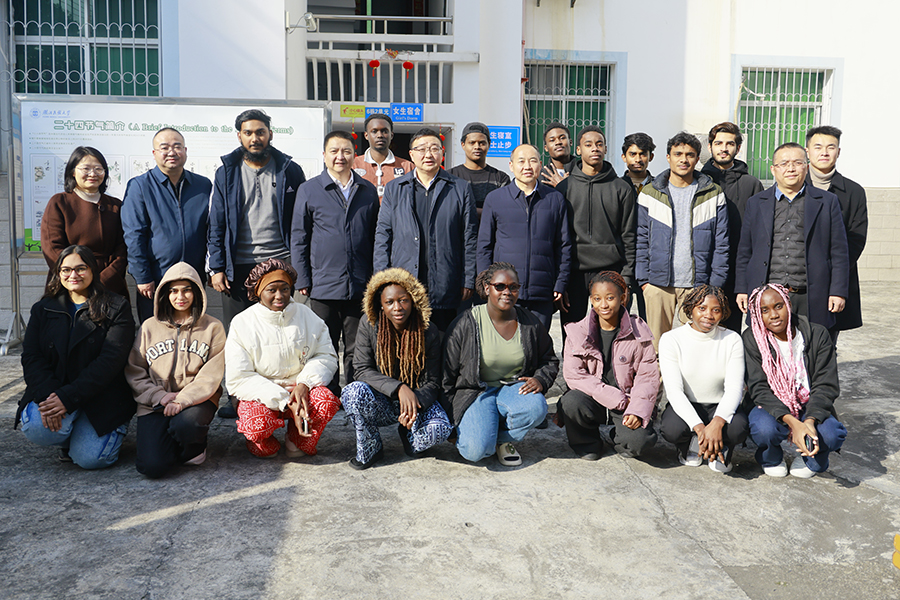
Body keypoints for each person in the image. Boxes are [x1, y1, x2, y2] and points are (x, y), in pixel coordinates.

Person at [208, 108, 306, 418]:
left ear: (270, 134)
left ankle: (284, 393)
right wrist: (217, 266)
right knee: (239, 335)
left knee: (282, 331)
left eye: (260, 132)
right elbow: (217, 222)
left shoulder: (290, 169)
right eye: (248, 132)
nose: (255, 138)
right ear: (239, 136)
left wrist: (300, 266)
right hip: (238, 264)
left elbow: (301, 222)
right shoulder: (226, 172)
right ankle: (238, 398)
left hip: (279, 261)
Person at [17, 245, 135, 469]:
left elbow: (110, 362)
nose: (73, 275)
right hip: (56, 389)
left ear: (92, 270)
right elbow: (32, 356)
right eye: (66, 270)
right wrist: (50, 395)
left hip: (101, 396)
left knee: (90, 459)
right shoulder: (43, 309)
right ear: (58, 273)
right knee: (37, 428)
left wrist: (68, 398)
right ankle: (72, 430)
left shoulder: (117, 307)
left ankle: (89, 431)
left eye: (81, 268)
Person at [291, 130, 380, 395]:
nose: (340, 156)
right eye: (334, 151)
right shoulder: (309, 189)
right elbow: (299, 236)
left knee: (356, 344)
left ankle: (353, 392)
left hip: (360, 283)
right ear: (324, 155)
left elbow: (376, 236)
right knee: (324, 343)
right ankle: (327, 393)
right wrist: (303, 278)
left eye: (346, 151)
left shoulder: (367, 190)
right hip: (322, 283)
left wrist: (375, 277)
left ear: (355, 155)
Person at [443, 262, 557, 466]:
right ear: (487, 288)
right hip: (475, 392)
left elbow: (549, 359)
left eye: (513, 287)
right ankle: (483, 433)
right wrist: (451, 421)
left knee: (537, 407)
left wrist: (540, 379)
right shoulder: (465, 323)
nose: (507, 292)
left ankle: (501, 439)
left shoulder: (529, 322)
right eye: (500, 286)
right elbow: (446, 375)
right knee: (476, 451)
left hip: (512, 389)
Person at [225, 258, 340, 458]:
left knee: (326, 400)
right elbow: (239, 378)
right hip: (262, 395)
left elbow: (326, 355)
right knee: (258, 428)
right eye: (272, 290)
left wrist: (304, 384)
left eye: (285, 289)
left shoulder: (308, 316)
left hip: (300, 392)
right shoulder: (242, 323)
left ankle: (297, 439)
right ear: (258, 291)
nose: (279, 296)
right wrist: (285, 401)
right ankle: (263, 443)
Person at [341, 268, 453, 469]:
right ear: (381, 305)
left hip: (415, 402)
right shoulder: (369, 324)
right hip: (381, 401)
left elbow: (433, 382)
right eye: (390, 302)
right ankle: (371, 446)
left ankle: (410, 435)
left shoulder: (428, 330)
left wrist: (414, 404)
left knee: (441, 429)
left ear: (413, 301)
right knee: (352, 392)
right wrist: (399, 388)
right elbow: (361, 369)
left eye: (403, 300)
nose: (397, 307)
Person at [735, 142, 849, 334]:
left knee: (812, 345)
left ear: (807, 167)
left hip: (810, 294)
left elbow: (839, 251)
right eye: (784, 163)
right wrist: (742, 288)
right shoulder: (756, 203)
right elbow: (745, 251)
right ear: (773, 169)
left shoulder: (827, 202)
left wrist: (837, 291)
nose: (791, 168)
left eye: (797, 163)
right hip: (767, 293)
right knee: (768, 347)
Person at [125, 262, 226, 478]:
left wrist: (182, 400)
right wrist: (158, 396)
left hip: (196, 400)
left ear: (197, 292)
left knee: (188, 426)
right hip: (155, 403)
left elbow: (211, 375)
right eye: (173, 291)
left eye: (187, 290)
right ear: (165, 294)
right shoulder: (149, 327)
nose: (180, 296)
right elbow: (135, 371)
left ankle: (194, 447)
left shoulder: (213, 327)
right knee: (152, 467)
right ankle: (170, 444)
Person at [374, 127, 477, 332]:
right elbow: (383, 235)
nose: (428, 154)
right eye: (421, 149)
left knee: (446, 341)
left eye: (434, 148)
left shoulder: (459, 188)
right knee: (406, 342)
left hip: (446, 281)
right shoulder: (395, 188)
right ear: (411, 155)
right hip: (404, 281)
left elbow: (469, 238)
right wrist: (382, 279)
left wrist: (468, 279)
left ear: (442, 153)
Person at [637, 132, 729, 352]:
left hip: (698, 286)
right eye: (678, 154)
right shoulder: (650, 193)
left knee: (696, 348)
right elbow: (641, 239)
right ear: (668, 157)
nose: (683, 159)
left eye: (690, 154)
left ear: (697, 159)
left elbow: (721, 244)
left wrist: (714, 286)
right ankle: (659, 377)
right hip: (658, 285)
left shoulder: (713, 193)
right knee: (656, 348)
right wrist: (645, 281)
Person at [743, 284, 847, 478]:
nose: (774, 315)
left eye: (778, 306)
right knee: (764, 430)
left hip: (808, 404)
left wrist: (809, 421)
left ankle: (812, 458)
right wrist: (793, 423)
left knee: (832, 435)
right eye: (764, 310)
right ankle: (771, 457)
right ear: (757, 315)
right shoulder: (752, 339)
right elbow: (758, 388)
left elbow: (826, 385)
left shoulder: (817, 334)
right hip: (772, 405)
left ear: (788, 304)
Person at [559, 271, 659, 460]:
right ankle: (587, 443)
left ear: (623, 298)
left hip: (628, 402)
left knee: (640, 442)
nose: (603, 305)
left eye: (610, 298)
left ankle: (616, 436)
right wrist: (614, 397)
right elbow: (574, 375)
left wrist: (637, 410)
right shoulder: (577, 332)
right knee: (571, 401)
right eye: (597, 299)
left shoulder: (639, 331)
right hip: (595, 399)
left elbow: (647, 378)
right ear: (591, 300)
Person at [122, 127, 213, 323]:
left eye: (177, 147)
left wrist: (213, 269)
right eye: (164, 147)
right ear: (154, 153)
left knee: (193, 331)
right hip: (156, 279)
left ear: (185, 151)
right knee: (156, 332)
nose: (172, 152)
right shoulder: (140, 186)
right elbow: (134, 236)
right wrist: (142, 277)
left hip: (193, 278)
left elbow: (213, 231)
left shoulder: (203, 185)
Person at [477, 143, 572, 329]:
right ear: (511, 165)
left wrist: (561, 283)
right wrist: (486, 284)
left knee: (537, 343)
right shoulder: (495, 199)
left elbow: (564, 246)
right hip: (504, 290)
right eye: (521, 161)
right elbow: (484, 246)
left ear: (540, 165)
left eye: (533, 161)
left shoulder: (554, 199)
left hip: (542, 290)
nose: (527, 166)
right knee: (505, 342)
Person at [658, 285, 747, 473]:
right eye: (702, 308)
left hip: (719, 405)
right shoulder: (671, 339)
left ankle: (721, 448)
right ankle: (691, 444)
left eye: (716, 310)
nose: (709, 315)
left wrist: (717, 423)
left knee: (738, 428)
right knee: (671, 428)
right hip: (688, 402)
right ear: (690, 309)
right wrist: (700, 429)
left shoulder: (732, 339)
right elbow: (674, 391)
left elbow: (734, 389)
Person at [556, 126, 636, 335]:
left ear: (606, 149)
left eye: (599, 144)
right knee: (573, 334)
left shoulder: (621, 188)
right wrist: (560, 280)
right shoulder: (564, 188)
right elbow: (557, 238)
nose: (595, 148)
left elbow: (629, 236)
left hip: (610, 269)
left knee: (609, 333)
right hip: (573, 272)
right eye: (589, 144)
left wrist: (626, 278)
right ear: (578, 150)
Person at [40, 146, 129, 300]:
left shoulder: (116, 205)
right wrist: (76, 276)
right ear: (73, 172)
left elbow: (124, 248)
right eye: (86, 168)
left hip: (110, 284)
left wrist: (104, 279)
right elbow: (52, 247)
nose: (92, 174)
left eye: (98, 169)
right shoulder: (60, 202)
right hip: (70, 284)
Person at [700, 122, 764, 332]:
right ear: (710, 147)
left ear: (738, 148)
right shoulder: (699, 181)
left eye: (730, 143)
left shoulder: (751, 184)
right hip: (704, 268)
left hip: (738, 270)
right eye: (718, 143)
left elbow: (758, 231)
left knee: (731, 330)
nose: (724, 148)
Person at [805, 125, 867, 340]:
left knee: (826, 344)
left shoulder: (853, 191)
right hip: (797, 280)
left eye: (830, 147)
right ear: (807, 151)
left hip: (834, 280)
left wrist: (833, 274)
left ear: (838, 152)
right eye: (818, 147)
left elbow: (856, 239)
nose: (824, 152)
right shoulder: (794, 186)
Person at [448, 122, 511, 218]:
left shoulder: (500, 178)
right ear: (463, 145)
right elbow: (449, 209)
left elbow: (504, 210)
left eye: (482, 143)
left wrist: (466, 210)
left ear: (489, 144)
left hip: (491, 228)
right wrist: (488, 211)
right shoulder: (451, 176)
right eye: (472, 143)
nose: (477, 147)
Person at [352, 112, 414, 199]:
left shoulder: (407, 166)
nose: (380, 135)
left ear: (391, 135)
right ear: (366, 135)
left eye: (385, 131)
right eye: (374, 131)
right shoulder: (353, 165)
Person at [539, 122, 575, 188]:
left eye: (562, 138)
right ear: (546, 148)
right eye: (552, 140)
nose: (558, 142)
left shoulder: (582, 170)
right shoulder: (541, 176)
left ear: (570, 142)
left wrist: (563, 186)